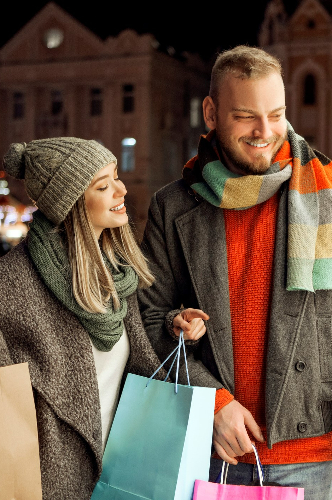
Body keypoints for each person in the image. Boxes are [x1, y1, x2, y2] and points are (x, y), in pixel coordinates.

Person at [137, 45, 332, 499]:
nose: (265, 132)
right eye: (246, 116)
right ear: (211, 112)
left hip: (315, 455)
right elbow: (146, 319)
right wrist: (212, 404)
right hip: (207, 451)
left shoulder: (325, 195)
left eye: (276, 113)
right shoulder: (173, 205)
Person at [0, 137, 166, 499]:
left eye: (116, 177)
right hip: (51, 479)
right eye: (103, 186)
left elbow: (136, 359)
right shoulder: (12, 283)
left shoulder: (117, 271)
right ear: (72, 204)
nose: (121, 189)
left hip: (126, 471)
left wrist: (175, 324)